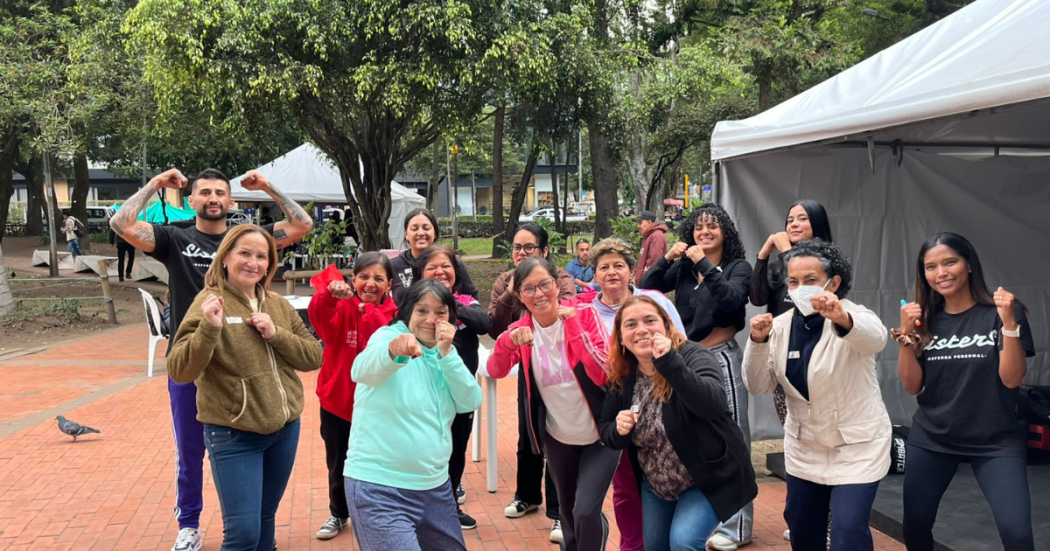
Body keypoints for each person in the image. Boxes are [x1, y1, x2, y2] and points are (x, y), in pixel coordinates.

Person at [109, 168, 312, 551]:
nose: (214, 198)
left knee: (243, 465)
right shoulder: (175, 237)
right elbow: (121, 222)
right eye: (205, 192)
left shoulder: (246, 244)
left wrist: (267, 186)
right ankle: (189, 523)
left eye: (221, 192)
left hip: (241, 361)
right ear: (192, 200)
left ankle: (244, 519)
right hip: (192, 357)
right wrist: (155, 185)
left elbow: (301, 224)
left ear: (231, 202)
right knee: (189, 448)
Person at [167, 224, 323, 551]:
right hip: (234, 434)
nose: (253, 262)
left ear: (270, 264)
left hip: (284, 430)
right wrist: (209, 330)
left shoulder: (277, 305)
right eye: (244, 253)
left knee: (266, 524)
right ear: (225, 257)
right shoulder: (208, 303)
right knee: (243, 534)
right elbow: (180, 369)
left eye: (261, 256)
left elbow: (313, 357)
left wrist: (276, 333)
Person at [742, 239, 890, 551]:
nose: (800, 288)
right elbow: (758, 386)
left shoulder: (853, 315)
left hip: (856, 447)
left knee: (848, 530)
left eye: (811, 281)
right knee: (802, 530)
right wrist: (758, 341)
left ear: (833, 282)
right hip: (805, 448)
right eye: (793, 281)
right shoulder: (780, 326)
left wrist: (841, 318)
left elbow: (876, 339)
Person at [896, 233, 1034, 551]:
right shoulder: (924, 321)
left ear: (969, 265)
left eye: (949, 262)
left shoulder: (1001, 314)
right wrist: (905, 334)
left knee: (1017, 532)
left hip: (995, 439)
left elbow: (1012, 380)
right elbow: (912, 385)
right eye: (931, 267)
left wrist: (1008, 325)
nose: (941, 273)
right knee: (915, 527)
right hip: (933, 438)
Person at [600, 296, 758, 551]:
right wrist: (617, 429)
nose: (641, 329)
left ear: (666, 326)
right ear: (620, 337)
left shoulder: (693, 354)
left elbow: (714, 404)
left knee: (684, 542)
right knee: (655, 547)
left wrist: (669, 362)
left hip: (706, 478)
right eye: (630, 325)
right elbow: (606, 427)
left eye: (649, 320)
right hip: (657, 484)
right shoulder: (625, 373)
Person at [640, 202, 753, 551]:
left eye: (713, 226)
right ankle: (702, 512)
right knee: (692, 431)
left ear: (725, 232)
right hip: (684, 360)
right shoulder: (685, 271)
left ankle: (739, 525)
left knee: (730, 434)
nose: (705, 232)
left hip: (720, 357)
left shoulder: (738, 267)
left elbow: (732, 301)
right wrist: (668, 259)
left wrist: (704, 262)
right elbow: (647, 287)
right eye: (699, 227)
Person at [487, 256, 615, 551]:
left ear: (557, 285)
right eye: (528, 289)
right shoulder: (522, 329)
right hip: (558, 437)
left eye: (545, 284)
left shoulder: (583, 315)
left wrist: (573, 330)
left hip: (600, 434)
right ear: (519, 296)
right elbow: (495, 370)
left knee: (585, 510)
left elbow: (604, 373)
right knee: (568, 514)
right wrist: (508, 342)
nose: (539, 294)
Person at [346, 279, 483, 551]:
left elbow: (470, 400)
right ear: (407, 312)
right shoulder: (387, 337)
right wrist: (393, 353)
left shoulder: (446, 352)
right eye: (422, 311)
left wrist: (447, 355)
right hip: (379, 488)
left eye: (440, 312)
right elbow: (361, 371)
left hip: (435, 488)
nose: (431, 319)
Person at [588, 237, 684, 551]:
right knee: (626, 484)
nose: (611, 272)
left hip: (663, 398)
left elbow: (680, 344)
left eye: (619, 265)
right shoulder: (585, 311)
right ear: (596, 275)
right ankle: (632, 545)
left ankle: (674, 538)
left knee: (667, 476)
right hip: (615, 407)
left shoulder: (655, 300)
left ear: (632, 271)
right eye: (604, 267)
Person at [488, 223, 575, 542]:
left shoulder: (559, 277)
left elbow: (560, 309)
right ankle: (527, 495)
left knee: (556, 440)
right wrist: (513, 291)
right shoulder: (504, 281)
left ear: (544, 251)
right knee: (528, 436)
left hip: (561, 371)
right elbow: (496, 326)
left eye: (529, 247)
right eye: (516, 248)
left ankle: (557, 511)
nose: (521, 253)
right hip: (528, 369)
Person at [307, 252, 398, 541]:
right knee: (338, 460)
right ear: (353, 279)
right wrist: (329, 297)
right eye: (364, 277)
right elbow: (321, 321)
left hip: (380, 405)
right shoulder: (341, 305)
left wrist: (367, 312)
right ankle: (338, 512)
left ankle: (379, 513)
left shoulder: (396, 316)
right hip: (337, 402)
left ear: (390, 284)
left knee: (379, 461)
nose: (370, 284)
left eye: (378, 278)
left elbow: (379, 345)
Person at [749, 199, 834, 473]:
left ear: (817, 223)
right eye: (790, 220)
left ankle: (828, 502)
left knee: (819, 432)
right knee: (792, 429)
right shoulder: (779, 264)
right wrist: (763, 255)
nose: (793, 225)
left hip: (817, 357)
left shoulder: (828, 261)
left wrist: (787, 251)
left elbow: (807, 305)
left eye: (802, 219)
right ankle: (804, 486)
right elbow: (758, 296)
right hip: (783, 356)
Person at [413, 244, 492, 529]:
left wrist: (448, 304)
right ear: (420, 271)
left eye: (446, 266)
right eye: (432, 266)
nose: (439, 271)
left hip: (459, 393)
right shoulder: (412, 305)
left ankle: (449, 507)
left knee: (457, 449)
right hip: (424, 393)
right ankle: (420, 508)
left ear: (456, 272)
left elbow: (485, 324)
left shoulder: (466, 301)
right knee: (425, 448)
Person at [390, 208, 478, 304]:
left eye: (426, 228)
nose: (420, 233)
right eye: (414, 229)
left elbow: (472, 298)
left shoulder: (452, 262)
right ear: (406, 234)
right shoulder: (393, 265)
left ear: (435, 233)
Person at [633, 210, 668, 286]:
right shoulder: (649, 235)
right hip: (645, 282)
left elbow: (654, 262)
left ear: (649, 222)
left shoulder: (656, 236)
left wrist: (643, 278)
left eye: (640, 223)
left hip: (649, 283)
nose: (638, 226)